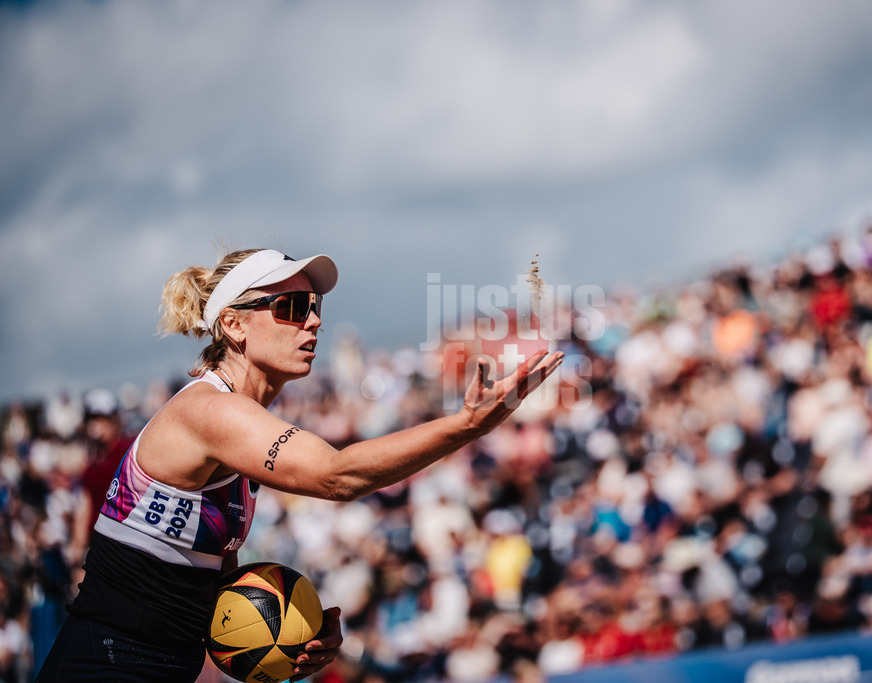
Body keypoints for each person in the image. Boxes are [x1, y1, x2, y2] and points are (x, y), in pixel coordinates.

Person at [36, 248, 563, 682]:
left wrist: (292, 630)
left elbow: (202, 589)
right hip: (106, 664)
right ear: (234, 324)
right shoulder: (208, 411)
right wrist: (466, 426)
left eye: (313, 306)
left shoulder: (232, 425)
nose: (312, 320)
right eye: (289, 307)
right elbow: (337, 476)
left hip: (144, 664)